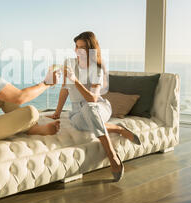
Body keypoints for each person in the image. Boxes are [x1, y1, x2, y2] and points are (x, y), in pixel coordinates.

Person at [47, 31, 141, 182]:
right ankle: (118, 129)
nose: (78, 51)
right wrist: (57, 113)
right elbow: (65, 89)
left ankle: (111, 154)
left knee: (90, 108)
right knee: (82, 118)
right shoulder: (69, 63)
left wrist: (75, 80)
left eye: (82, 47)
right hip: (77, 112)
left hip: (99, 108)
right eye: (76, 47)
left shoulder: (97, 69)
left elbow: (92, 98)